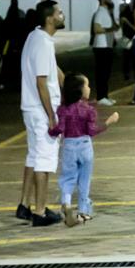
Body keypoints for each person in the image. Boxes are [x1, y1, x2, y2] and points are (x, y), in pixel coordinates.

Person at [17, 0, 67, 226]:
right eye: (59, 12)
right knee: (45, 161)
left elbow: (51, 70)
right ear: (49, 18)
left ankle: (24, 204)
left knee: (34, 156)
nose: (62, 15)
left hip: (30, 108)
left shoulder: (35, 37)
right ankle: (39, 211)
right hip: (40, 110)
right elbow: (41, 82)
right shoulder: (43, 43)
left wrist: (70, 82)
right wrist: (51, 115)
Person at [55, 72, 120, 225]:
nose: (89, 88)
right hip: (85, 146)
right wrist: (109, 122)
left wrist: (50, 130)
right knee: (84, 180)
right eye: (87, 85)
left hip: (69, 145)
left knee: (68, 178)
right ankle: (83, 212)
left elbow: (59, 129)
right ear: (80, 90)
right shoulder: (88, 110)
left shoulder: (63, 109)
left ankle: (66, 201)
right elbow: (92, 131)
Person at [89, 0, 118, 104]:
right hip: (101, 46)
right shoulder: (100, 12)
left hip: (107, 45)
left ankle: (105, 96)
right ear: (102, 0)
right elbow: (96, 28)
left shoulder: (106, 11)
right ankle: (101, 97)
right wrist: (110, 29)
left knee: (106, 72)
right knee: (102, 72)